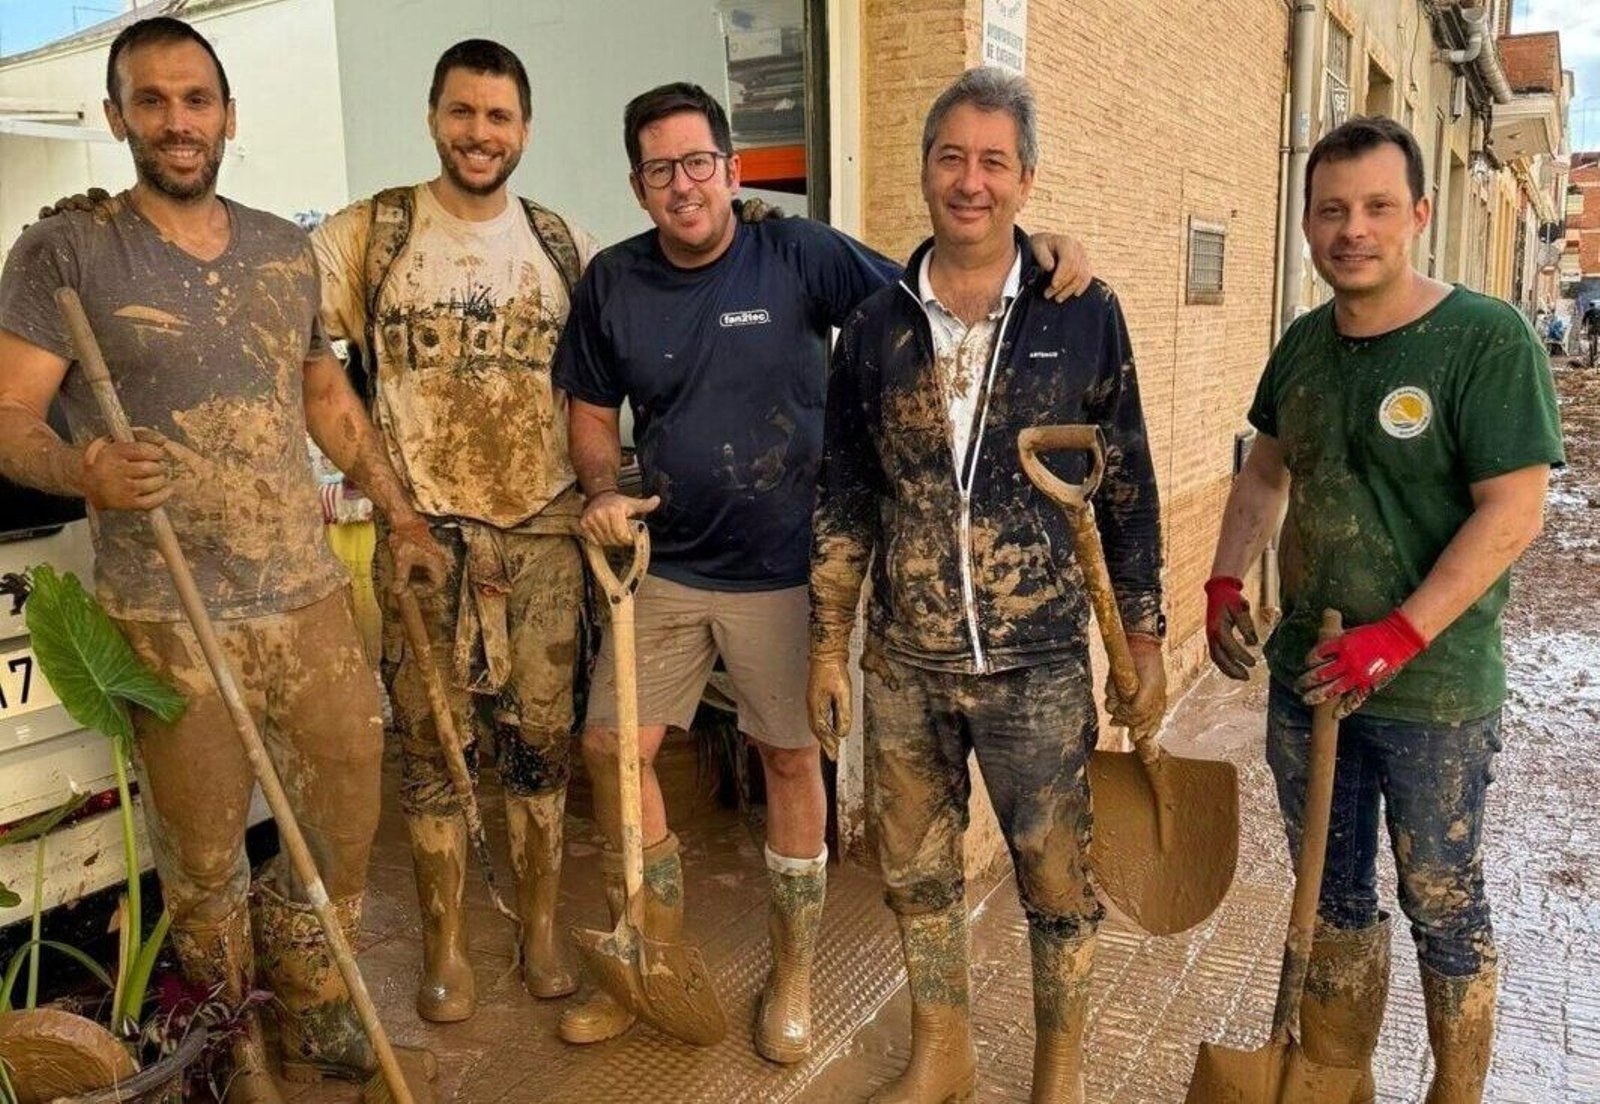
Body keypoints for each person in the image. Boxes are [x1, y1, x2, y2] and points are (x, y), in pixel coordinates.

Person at [552, 80, 1093, 1061]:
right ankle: (652, 957)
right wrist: (599, 487)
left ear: (731, 168)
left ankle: (792, 972)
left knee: (790, 760)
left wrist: (1031, 250)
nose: (684, 186)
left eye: (699, 163)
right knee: (608, 752)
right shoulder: (612, 284)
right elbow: (591, 409)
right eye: (661, 170)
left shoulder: (794, 253)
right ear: (638, 186)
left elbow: (926, 304)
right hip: (664, 565)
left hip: (784, 572)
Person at [0, 17, 446, 1103]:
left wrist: (402, 513)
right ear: (117, 118)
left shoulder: (277, 249)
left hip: (304, 598)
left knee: (343, 821)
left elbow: (322, 396)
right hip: (171, 612)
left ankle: (316, 1004)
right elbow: (10, 413)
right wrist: (85, 469)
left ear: (227, 114)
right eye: (150, 101)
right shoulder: (67, 251)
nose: (176, 120)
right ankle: (228, 1044)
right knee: (202, 864)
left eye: (195, 98)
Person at [807, 67, 1165, 1102]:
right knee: (914, 876)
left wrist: (1139, 639)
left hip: (1039, 663)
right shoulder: (873, 328)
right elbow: (844, 498)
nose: (970, 182)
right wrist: (830, 646)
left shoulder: (1080, 311)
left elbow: (1127, 488)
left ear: (1025, 180)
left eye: (993, 162)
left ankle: (1060, 1071)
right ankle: (943, 1051)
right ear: (925, 169)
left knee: (1056, 882)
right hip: (906, 662)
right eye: (951, 157)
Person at [1205, 116, 1563, 1104]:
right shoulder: (1303, 347)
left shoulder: (1482, 341)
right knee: (1332, 897)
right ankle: (1335, 1076)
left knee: (1441, 901)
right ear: (1309, 225)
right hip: (1309, 681)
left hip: (1432, 692)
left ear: (1416, 214)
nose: (1349, 230)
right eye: (1329, 210)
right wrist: (1226, 578)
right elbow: (1264, 474)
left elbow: (1515, 509)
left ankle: (1454, 1093)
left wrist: (1399, 635)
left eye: (1372, 208)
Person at [311, 38, 598, 1024]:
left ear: (526, 127)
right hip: (422, 536)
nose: (482, 134)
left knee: (541, 746)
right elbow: (292, 343)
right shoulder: (373, 235)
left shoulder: (563, 245)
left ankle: (543, 927)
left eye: (500, 116)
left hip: (544, 535)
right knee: (434, 750)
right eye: (464, 113)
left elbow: (615, 371)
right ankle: (443, 948)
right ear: (436, 117)